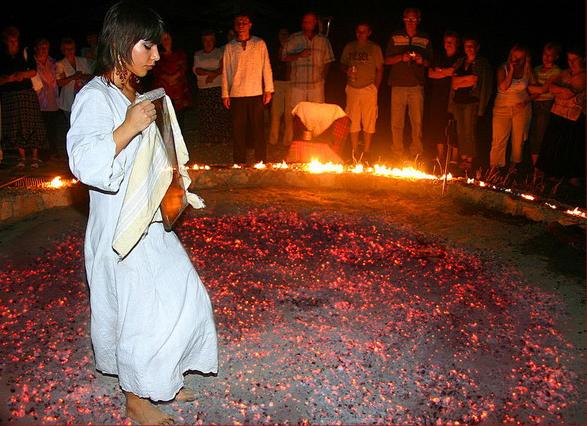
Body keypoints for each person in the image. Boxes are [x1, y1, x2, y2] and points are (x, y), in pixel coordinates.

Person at [66, 2, 218, 424]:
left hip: (151, 222)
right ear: (121, 43)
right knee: (142, 311)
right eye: (148, 45)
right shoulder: (94, 97)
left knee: (185, 293)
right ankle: (136, 397)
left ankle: (164, 375)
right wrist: (128, 127)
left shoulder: (134, 91)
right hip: (121, 229)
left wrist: (176, 179)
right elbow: (85, 163)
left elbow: (151, 158)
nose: (156, 56)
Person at [221, 13, 274, 163]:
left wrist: (268, 89)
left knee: (258, 130)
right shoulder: (230, 47)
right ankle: (239, 162)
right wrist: (225, 93)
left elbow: (266, 67)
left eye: (244, 22)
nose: (242, 25)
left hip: (256, 92)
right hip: (237, 94)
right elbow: (226, 71)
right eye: (239, 22)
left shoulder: (259, 44)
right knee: (238, 131)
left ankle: (261, 162)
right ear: (235, 26)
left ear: (250, 24)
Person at [384, 8, 432, 163]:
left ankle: (416, 153)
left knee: (417, 122)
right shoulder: (395, 36)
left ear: (419, 20)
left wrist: (421, 60)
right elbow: (386, 60)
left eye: (413, 19)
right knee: (396, 122)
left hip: (416, 85)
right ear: (403, 20)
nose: (410, 22)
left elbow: (430, 62)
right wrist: (401, 57)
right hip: (398, 84)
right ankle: (397, 152)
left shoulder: (424, 38)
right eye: (407, 19)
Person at [282, 11, 335, 142]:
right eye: (305, 21)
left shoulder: (323, 40)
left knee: (316, 115)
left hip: (316, 84)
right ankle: (297, 142)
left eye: (310, 21)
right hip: (298, 84)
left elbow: (328, 60)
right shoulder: (294, 38)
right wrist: (298, 54)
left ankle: (314, 143)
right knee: (298, 115)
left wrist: (323, 77)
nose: (307, 24)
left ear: (315, 22)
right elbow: (283, 57)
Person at [536, 47, 585, 184]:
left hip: (574, 116)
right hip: (558, 112)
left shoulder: (584, 75)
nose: (571, 63)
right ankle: (553, 173)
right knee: (555, 145)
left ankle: (573, 176)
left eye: (575, 60)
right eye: (569, 59)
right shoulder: (564, 73)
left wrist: (562, 90)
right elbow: (551, 87)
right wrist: (562, 89)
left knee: (572, 147)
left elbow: (570, 93)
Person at [0, 26, 46, 169]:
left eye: (16, 40)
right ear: (6, 42)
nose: (14, 43)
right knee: (15, 127)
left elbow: (33, 71)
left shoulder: (25, 52)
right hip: (9, 95)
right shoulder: (2, 57)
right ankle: (22, 158)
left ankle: (34, 158)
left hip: (26, 92)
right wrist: (9, 78)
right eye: (11, 41)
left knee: (31, 124)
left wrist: (21, 75)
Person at [340, 21, 383, 163]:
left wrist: (376, 87)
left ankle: (367, 152)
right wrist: (347, 71)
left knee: (369, 120)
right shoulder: (350, 46)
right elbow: (342, 64)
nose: (360, 34)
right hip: (352, 88)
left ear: (369, 32)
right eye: (358, 31)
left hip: (368, 88)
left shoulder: (374, 48)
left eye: (364, 31)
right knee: (353, 120)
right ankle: (354, 152)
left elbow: (380, 69)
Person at [449, 35, 493, 173]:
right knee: (461, 130)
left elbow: (482, 84)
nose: (470, 49)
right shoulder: (460, 62)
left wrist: (464, 81)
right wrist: (466, 79)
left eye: (472, 46)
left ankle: (470, 160)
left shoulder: (482, 64)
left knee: (470, 130)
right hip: (458, 100)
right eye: (467, 46)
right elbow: (454, 83)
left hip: (472, 101)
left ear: (477, 47)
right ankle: (463, 158)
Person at [489, 44, 534, 174]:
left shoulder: (527, 70)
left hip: (521, 108)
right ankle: (494, 168)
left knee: (518, 139)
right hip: (502, 108)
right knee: (498, 139)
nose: (516, 60)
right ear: (511, 55)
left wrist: (526, 102)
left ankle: (513, 167)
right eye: (514, 57)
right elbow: (503, 87)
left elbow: (536, 90)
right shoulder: (503, 68)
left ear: (525, 58)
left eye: (520, 58)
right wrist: (512, 71)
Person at [425, 31, 459, 165]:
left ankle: (453, 159)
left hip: (453, 97)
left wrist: (440, 71)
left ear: (456, 43)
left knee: (453, 127)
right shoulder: (439, 56)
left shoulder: (459, 58)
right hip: (438, 95)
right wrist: (446, 72)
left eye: (451, 42)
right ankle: (440, 157)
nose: (448, 44)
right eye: (446, 42)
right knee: (438, 125)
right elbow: (431, 74)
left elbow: (455, 74)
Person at [193, 30, 231, 144]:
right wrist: (212, 74)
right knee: (206, 115)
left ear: (214, 41)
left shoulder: (219, 52)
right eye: (206, 40)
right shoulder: (198, 54)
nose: (208, 43)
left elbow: (222, 68)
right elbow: (197, 70)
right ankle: (208, 139)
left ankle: (222, 138)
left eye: (210, 40)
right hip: (204, 89)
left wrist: (212, 75)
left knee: (219, 115)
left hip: (217, 87)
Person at [527, 42, 562, 168]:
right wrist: (533, 89)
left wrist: (532, 90)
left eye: (550, 55)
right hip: (534, 104)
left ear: (556, 57)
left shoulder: (557, 71)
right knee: (532, 135)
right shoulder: (536, 69)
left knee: (541, 135)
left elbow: (543, 89)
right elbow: (530, 86)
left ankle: (542, 167)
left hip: (546, 104)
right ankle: (535, 165)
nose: (546, 57)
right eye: (545, 54)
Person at [152, 31, 192, 129]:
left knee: (179, 120)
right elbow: (156, 71)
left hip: (178, 93)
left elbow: (183, 68)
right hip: (164, 93)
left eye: (167, 38)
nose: (165, 41)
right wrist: (167, 78)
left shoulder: (179, 53)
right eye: (163, 38)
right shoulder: (158, 56)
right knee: (165, 122)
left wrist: (174, 77)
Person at [34, 38, 62, 159]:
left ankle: (53, 151)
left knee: (52, 127)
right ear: (36, 48)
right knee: (42, 127)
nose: (44, 50)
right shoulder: (33, 62)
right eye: (41, 47)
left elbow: (58, 78)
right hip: (39, 101)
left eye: (46, 48)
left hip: (52, 100)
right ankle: (43, 153)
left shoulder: (52, 62)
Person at [56, 37, 92, 123]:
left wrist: (81, 76)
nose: (69, 51)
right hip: (68, 101)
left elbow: (91, 77)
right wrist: (73, 77)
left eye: (71, 49)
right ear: (62, 50)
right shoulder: (60, 64)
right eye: (66, 49)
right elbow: (60, 83)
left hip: (83, 99)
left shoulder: (82, 60)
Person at [268, 28, 293, 146]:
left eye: (285, 34)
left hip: (290, 83)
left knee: (289, 113)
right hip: (277, 82)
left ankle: (288, 141)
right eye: (281, 34)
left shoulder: (293, 48)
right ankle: (273, 139)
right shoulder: (274, 49)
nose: (283, 36)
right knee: (276, 112)